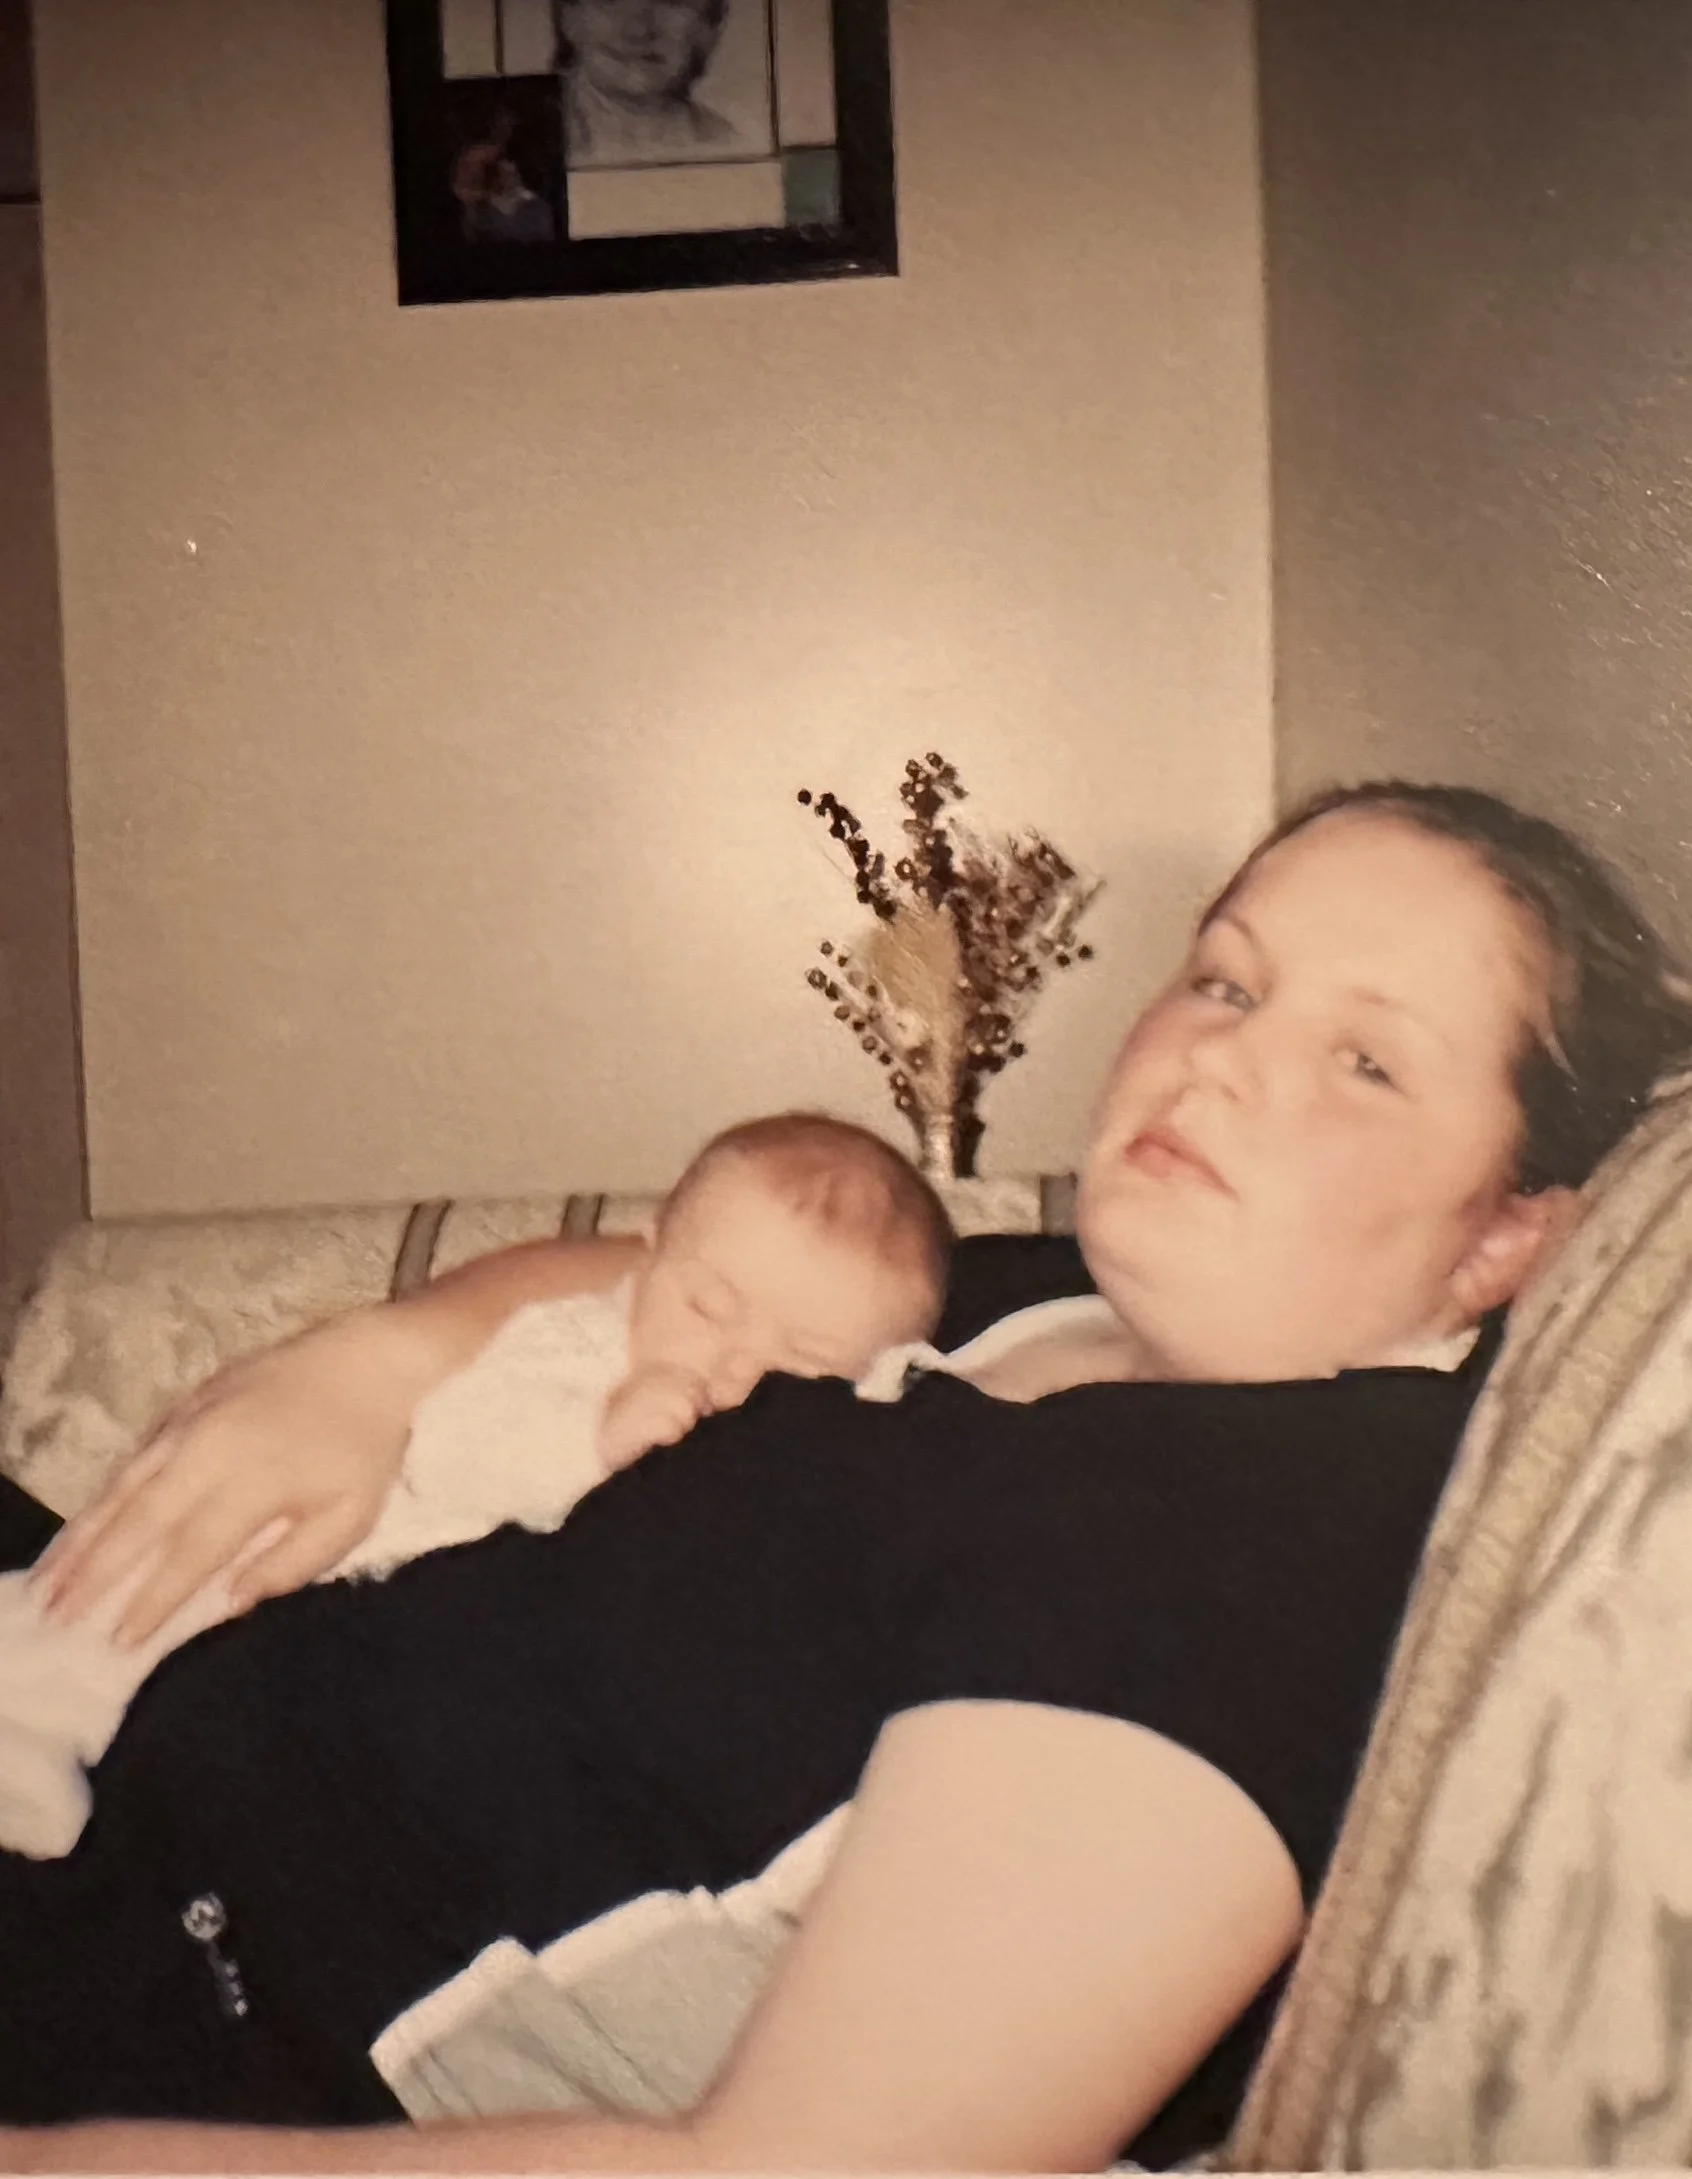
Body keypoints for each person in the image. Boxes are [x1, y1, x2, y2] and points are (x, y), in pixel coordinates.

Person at [5, 781, 1691, 2175]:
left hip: (170, 2000)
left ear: (1506, 1234)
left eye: (1365, 1058)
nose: (1218, 1056)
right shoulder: (1070, 1299)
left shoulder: (1248, 1553)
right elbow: (690, 1265)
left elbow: (812, 2165)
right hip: (132, 1716)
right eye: (1228, 980)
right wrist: (369, 1360)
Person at [0, 1113, 950, 1859]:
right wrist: (600, 1436)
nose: (731, 1367)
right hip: (332, 1535)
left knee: (158, 1664)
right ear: (649, 1251)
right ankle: (24, 1733)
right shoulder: (578, 1339)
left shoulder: (791, 1466)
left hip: (358, 1646)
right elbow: (461, 1447)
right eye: (708, 1307)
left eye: (798, 1360)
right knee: (121, 1609)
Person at [556, 0, 740, 170]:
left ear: (710, 27)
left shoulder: (729, 143)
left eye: (671, 2)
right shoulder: (533, 136)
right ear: (569, 16)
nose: (638, 30)